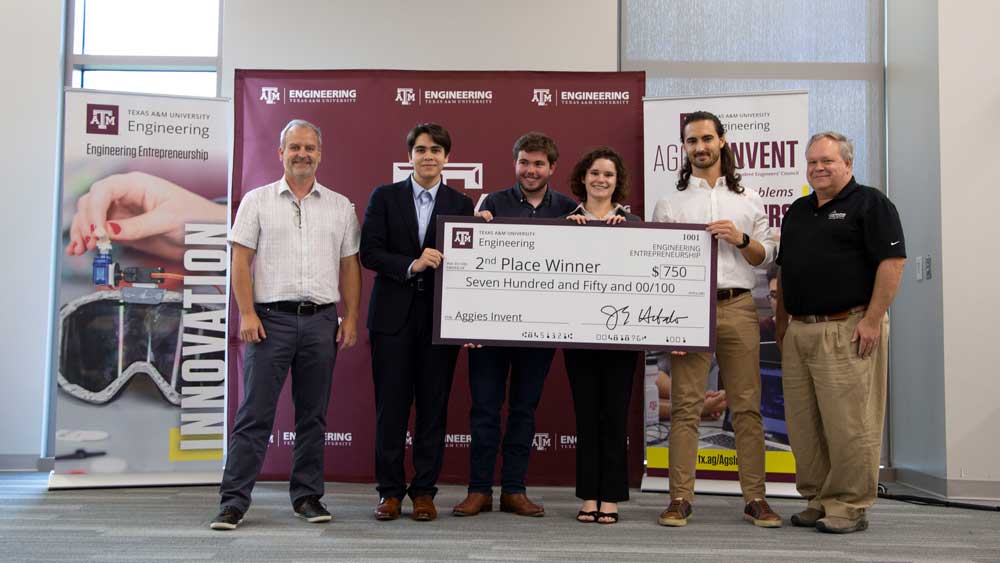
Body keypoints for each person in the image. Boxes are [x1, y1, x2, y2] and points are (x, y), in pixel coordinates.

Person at [211, 119, 362, 530]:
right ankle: (234, 502)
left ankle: (308, 497)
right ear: (280, 153)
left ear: (320, 154)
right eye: (294, 147)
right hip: (268, 322)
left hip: (320, 323)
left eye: (310, 148)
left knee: (312, 416)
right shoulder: (256, 201)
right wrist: (246, 312)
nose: (302, 154)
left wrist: (351, 316)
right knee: (254, 415)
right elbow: (240, 260)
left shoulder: (340, 206)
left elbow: (350, 266)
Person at [651, 110, 781, 528]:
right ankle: (679, 499)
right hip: (690, 308)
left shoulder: (749, 199)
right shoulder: (670, 202)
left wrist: (740, 239)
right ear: (684, 148)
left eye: (707, 138)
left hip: (740, 305)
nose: (700, 147)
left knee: (746, 407)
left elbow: (767, 256)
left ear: (722, 141)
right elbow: (658, 264)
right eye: (692, 141)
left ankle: (756, 498)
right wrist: (671, 323)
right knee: (687, 408)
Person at [775, 131, 905, 534]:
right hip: (800, 332)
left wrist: (871, 320)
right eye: (812, 162)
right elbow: (784, 273)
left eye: (827, 161)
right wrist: (783, 330)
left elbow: (893, 262)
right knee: (804, 425)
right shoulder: (797, 210)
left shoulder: (871, 204)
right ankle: (817, 498)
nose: (818, 168)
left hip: (846, 328)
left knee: (850, 423)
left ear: (848, 163)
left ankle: (848, 505)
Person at [451, 132, 577, 518]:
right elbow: (468, 266)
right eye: (524, 162)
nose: (531, 170)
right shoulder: (491, 202)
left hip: (540, 330)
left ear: (552, 168)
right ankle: (478, 490)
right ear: (515, 163)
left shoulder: (569, 209)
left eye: (539, 163)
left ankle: (514, 489)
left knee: (524, 410)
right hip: (490, 329)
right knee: (485, 409)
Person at [360, 123, 474, 522]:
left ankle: (424, 492)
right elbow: (369, 253)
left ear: (447, 158)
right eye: (421, 149)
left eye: (437, 150)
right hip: (391, 322)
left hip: (440, 324)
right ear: (409, 156)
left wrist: (487, 231)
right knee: (390, 410)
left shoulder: (462, 204)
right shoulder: (384, 197)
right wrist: (411, 264)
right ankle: (389, 493)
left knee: (433, 410)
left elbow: (470, 265)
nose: (429, 156)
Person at [561, 147, 641, 524]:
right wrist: (568, 236)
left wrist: (626, 236)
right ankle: (588, 496)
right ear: (584, 177)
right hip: (578, 334)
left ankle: (611, 497)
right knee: (586, 414)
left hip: (622, 336)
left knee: (615, 414)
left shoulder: (633, 221)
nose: (601, 180)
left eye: (608, 174)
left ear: (616, 181)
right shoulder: (564, 219)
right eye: (595, 173)